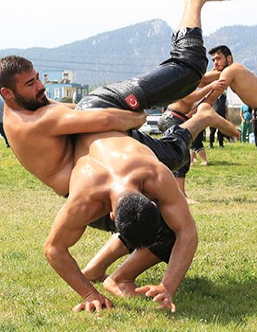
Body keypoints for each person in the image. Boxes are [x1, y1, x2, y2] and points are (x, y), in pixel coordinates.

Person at [0, 0, 237, 311]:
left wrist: (134, 114)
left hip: (110, 125)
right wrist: (134, 118)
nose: (41, 87)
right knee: (185, 98)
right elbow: (102, 118)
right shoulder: (38, 123)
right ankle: (194, 5)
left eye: (38, 78)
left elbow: (101, 117)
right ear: (8, 94)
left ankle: (193, 1)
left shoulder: (37, 111)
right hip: (108, 121)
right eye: (31, 83)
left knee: (182, 111)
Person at [46, 103, 230, 314]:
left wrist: (168, 285)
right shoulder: (84, 200)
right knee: (167, 228)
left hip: (110, 118)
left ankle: (96, 271)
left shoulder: (156, 172)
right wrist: (89, 294)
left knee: (175, 156)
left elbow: (187, 231)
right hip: (89, 119)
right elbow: (53, 249)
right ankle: (111, 276)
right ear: (112, 217)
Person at [203, 45, 257, 204]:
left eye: (218, 58)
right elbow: (202, 80)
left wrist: (197, 109)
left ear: (229, 58)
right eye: (213, 59)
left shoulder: (232, 69)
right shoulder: (224, 72)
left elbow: (214, 94)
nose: (215, 62)